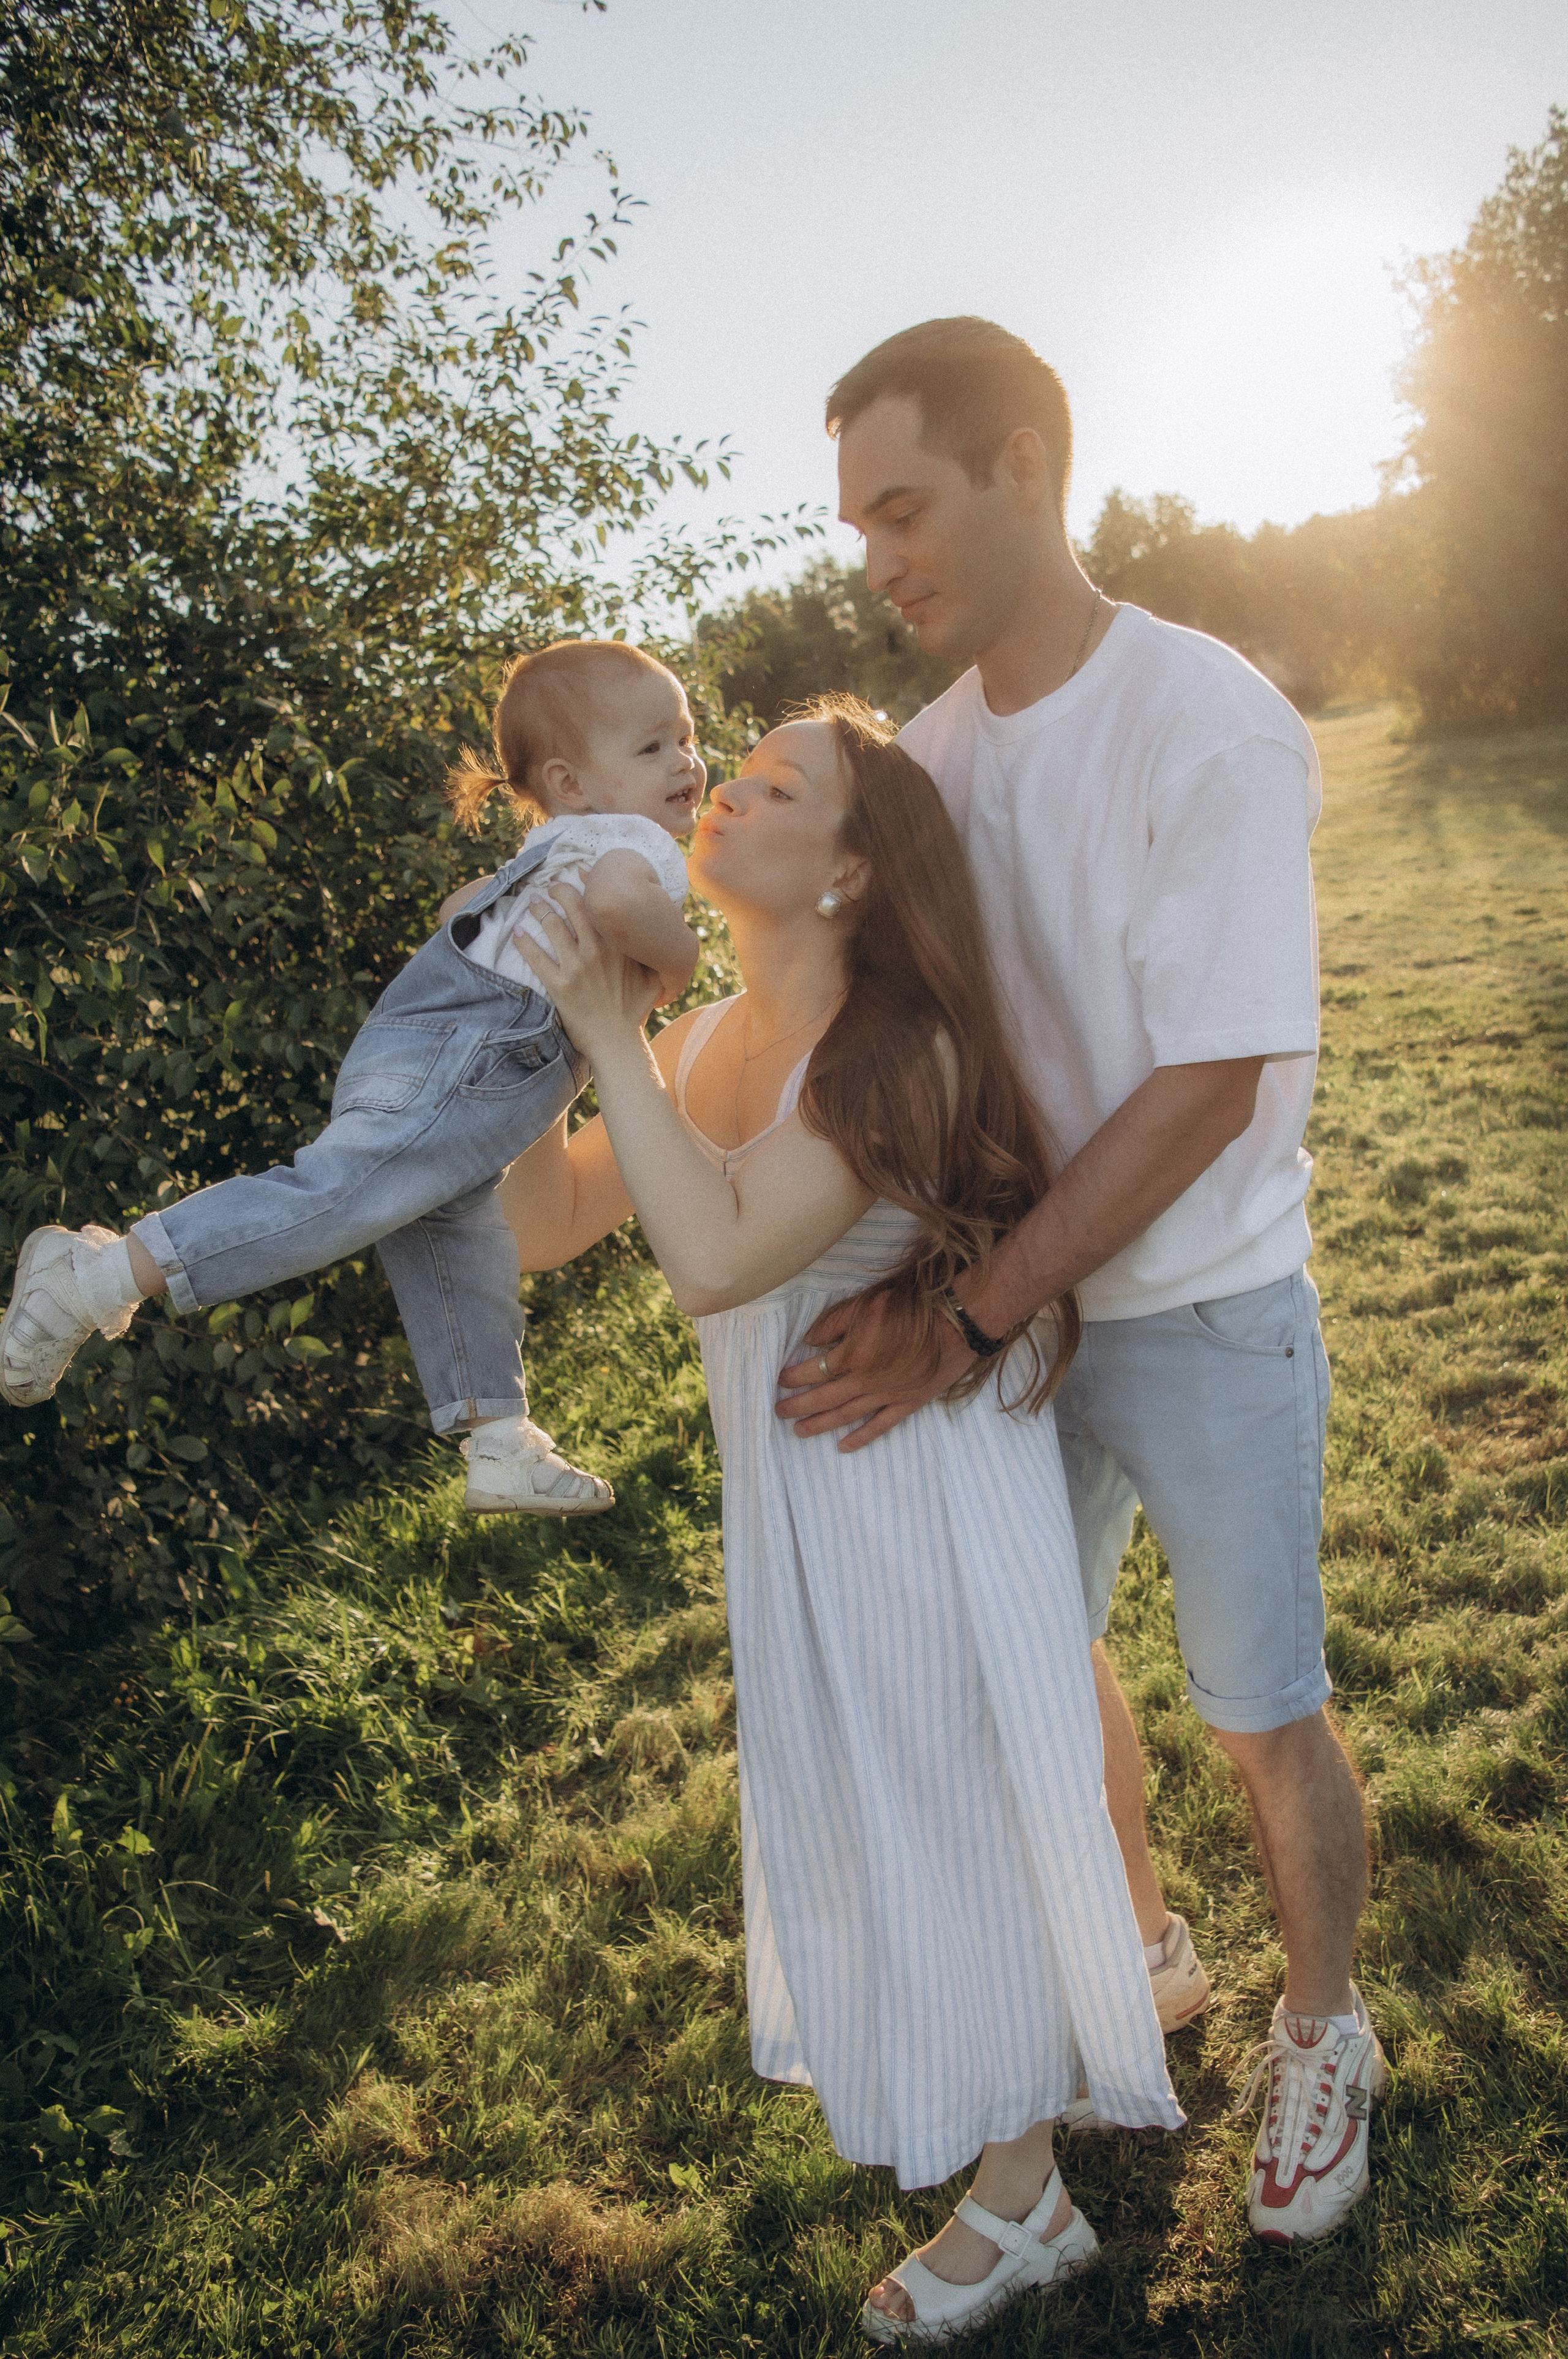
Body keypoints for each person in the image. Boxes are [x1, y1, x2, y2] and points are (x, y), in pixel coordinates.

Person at [775, 317, 1384, 2246]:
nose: (877, 559)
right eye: (858, 522)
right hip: (1019, 1312)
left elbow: (1204, 1086)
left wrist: (960, 1314)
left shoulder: (1202, 716)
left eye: (905, 506)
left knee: (1258, 1703)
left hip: (1198, 1306)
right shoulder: (931, 762)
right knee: (1022, 1673)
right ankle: (1135, 1945)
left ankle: (1321, 2025)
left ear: (1026, 463)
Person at [499, 695, 1182, 2342]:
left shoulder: (897, 1044)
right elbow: (552, 1220)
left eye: (770, 783)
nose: (718, 789)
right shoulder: (704, 1032)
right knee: (888, 1816)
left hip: (922, 1493)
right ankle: (1029, 2103)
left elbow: (722, 1247)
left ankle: (1025, 2200)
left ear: (856, 867)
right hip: (801, 1496)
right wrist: (533, 1030)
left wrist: (603, 1029)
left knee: (944, 1809)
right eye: (727, 770)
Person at [0, 640, 702, 1516]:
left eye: (686, 736)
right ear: (569, 781)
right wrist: (681, 960)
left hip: (428, 1038)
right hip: (479, 1057)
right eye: (652, 748)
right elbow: (620, 908)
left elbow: (459, 910)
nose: (686, 762)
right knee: (340, 1197)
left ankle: (499, 1440)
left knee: (454, 1226)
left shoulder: (553, 843)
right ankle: (97, 1275)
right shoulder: (635, 845)